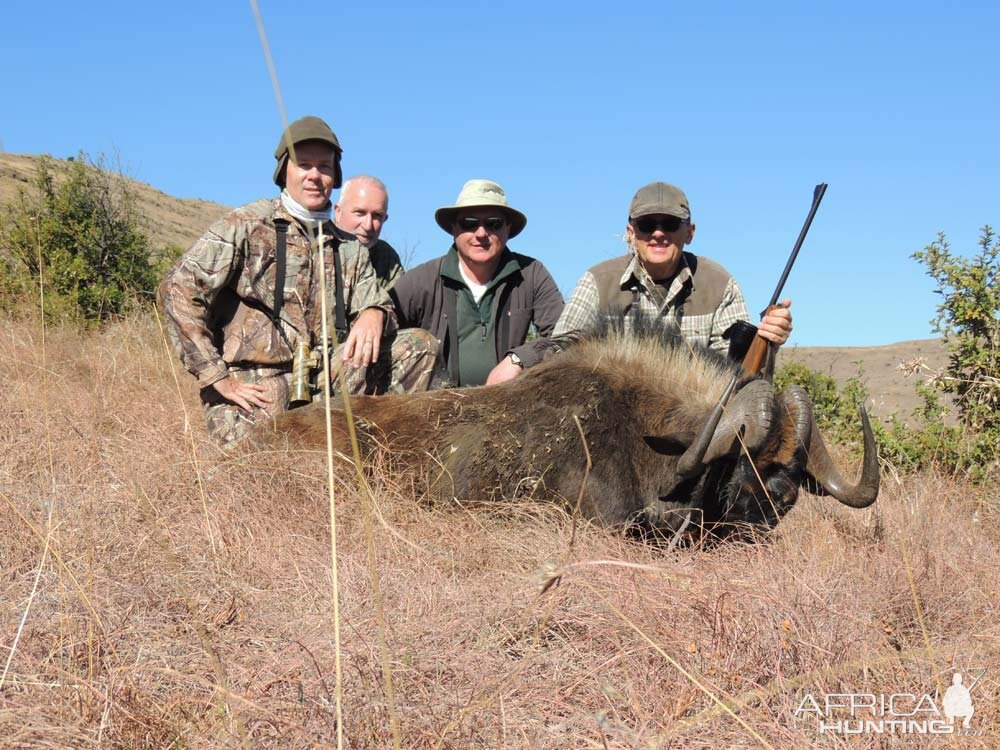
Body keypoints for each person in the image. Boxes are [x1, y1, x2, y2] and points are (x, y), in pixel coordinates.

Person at [159, 116, 438, 448]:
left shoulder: (349, 245)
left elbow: (377, 302)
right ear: (284, 171)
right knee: (261, 470)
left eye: (324, 166)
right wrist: (216, 376)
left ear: (335, 176)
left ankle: (385, 448)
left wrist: (375, 312)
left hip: (329, 378)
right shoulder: (246, 224)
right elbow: (178, 288)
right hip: (257, 383)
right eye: (304, 164)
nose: (314, 175)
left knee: (418, 346)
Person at [554, 181, 792, 352]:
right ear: (631, 233)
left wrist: (768, 341)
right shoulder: (596, 281)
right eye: (646, 224)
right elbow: (561, 349)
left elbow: (735, 370)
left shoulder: (720, 284)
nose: (658, 233)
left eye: (670, 224)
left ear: (690, 232)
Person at [390, 179, 563, 387]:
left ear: (508, 229)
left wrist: (520, 359)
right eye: (469, 223)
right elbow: (384, 325)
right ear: (454, 229)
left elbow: (567, 336)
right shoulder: (422, 279)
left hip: (508, 405)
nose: (481, 233)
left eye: (493, 224)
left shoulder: (531, 274)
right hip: (433, 407)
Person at [333, 174, 402, 290]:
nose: (368, 225)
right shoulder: (316, 246)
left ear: (385, 219)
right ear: (338, 212)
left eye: (377, 216)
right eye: (359, 213)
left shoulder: (386, 258)